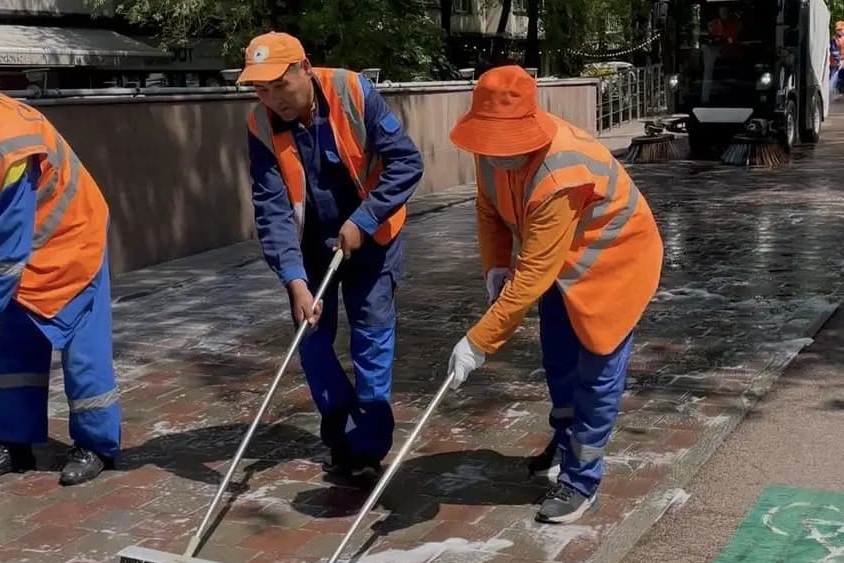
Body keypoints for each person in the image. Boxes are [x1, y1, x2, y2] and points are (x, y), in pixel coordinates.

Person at [446, 66, 664, 524]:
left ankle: (581, 480)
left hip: (615, 263)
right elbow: (488, 208)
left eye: (503, 145)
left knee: (596, 370)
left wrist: (479, 343)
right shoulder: (490, 151)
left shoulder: (560, 171)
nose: (494, 154)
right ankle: (565, 443)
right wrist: (495, 265)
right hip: (562, 265)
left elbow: (531, 278)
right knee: (558, 358)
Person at [0, 68, 120, 486]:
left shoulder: (10, 150)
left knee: (83, 355)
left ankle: (95, 446)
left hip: (72, 244)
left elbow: (8, 256)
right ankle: (15, 446)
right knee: (12, 350)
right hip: (24, 255)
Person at [240, 33, 423, 481]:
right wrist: (294, 280)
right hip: (310, 248)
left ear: (304, 68)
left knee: (372, 339)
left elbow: (406, 162)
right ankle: (339, 421)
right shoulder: (260, 125)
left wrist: (364, 220)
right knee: (312, 337)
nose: (272, 99)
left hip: (372, 238)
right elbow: (272, 207)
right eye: (261, 89)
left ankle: (368, 445)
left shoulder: (353, 92)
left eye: (280, 85)